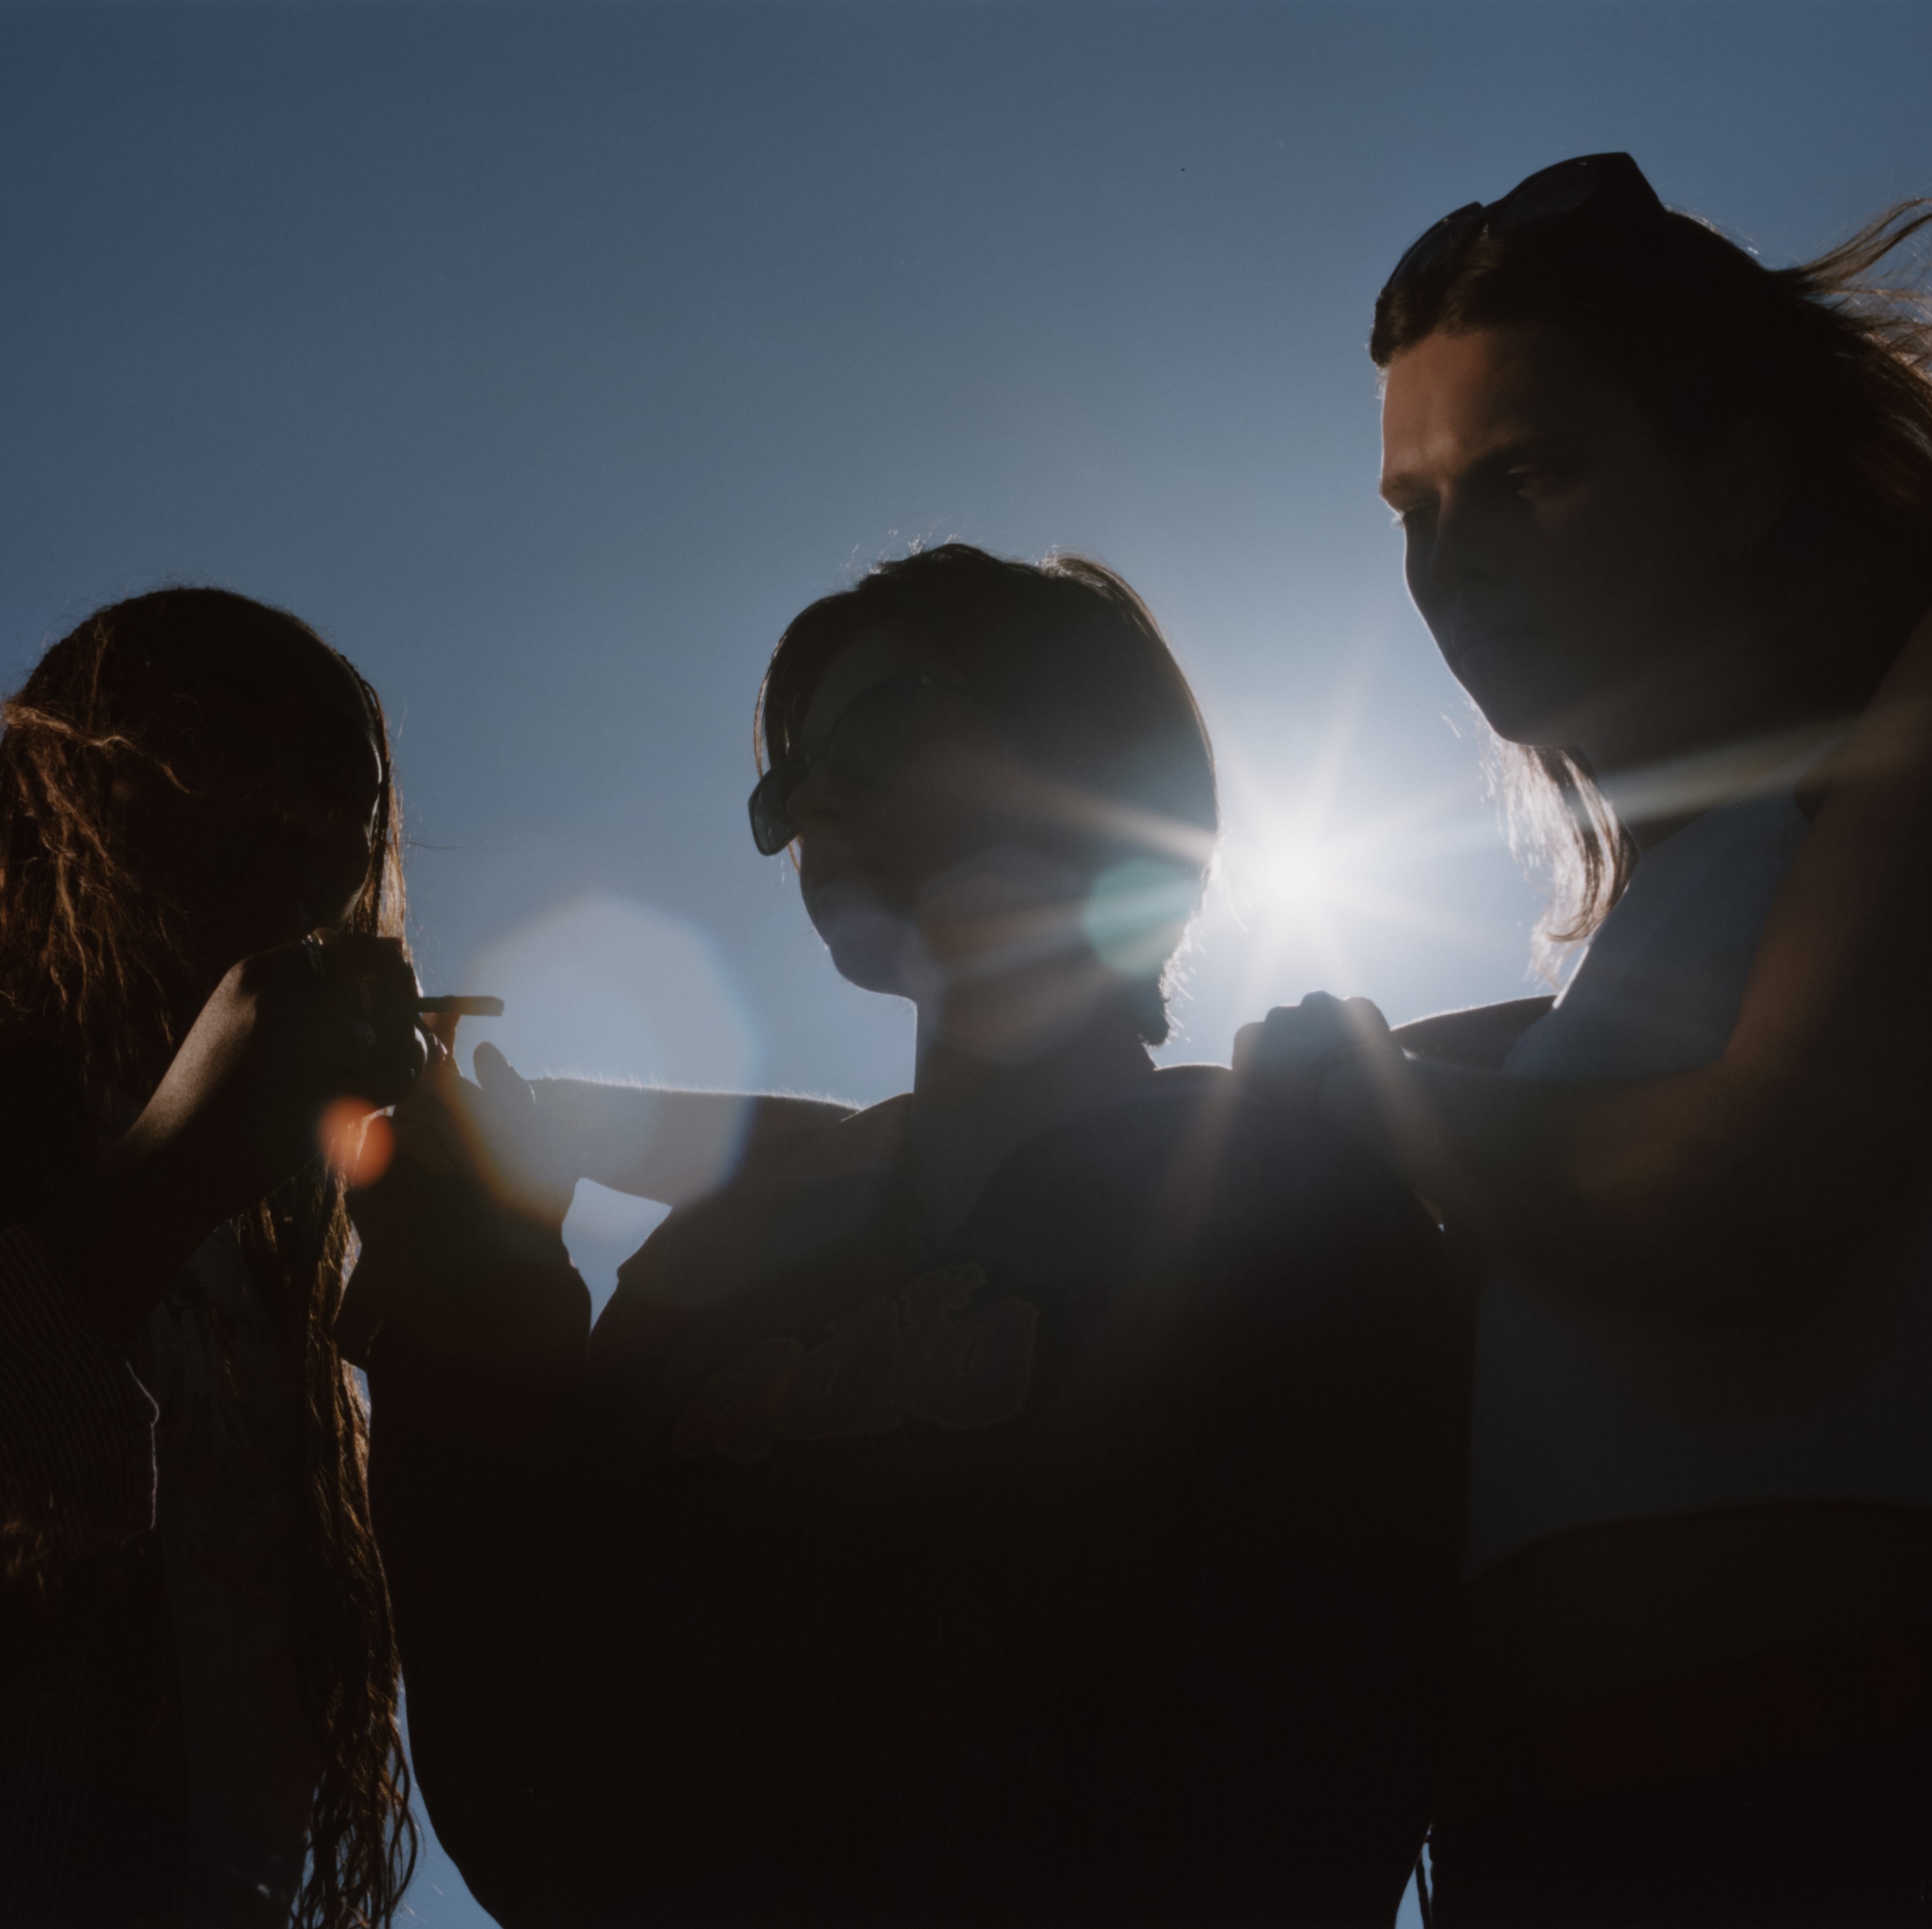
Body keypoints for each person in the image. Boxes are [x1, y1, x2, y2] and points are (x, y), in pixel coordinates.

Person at [352, 543, 1475, 1927]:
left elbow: (1323, 1757)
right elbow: (534, 1782)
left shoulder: (1290, 1194)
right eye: (783, 781)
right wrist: (464, 1311)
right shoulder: (709, 1264)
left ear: (1096, 756)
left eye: (878, 723)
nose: (810, 797)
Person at [1235, 153, 1932, 1922]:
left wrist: (1367, 1094)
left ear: (1741, 481)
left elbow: (1743, 1192)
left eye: (1524, 479)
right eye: (1414, 512)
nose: (1451, 569)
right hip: (1523, 1858)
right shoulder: (1610, 968)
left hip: (1865, 1811)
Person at [0, 587, 430, 1927]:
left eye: (335, 788)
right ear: (55, 793)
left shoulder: (292, 1307)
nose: (292, 816)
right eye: (219, 745)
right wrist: (161, 1186)